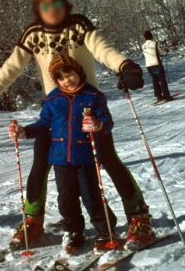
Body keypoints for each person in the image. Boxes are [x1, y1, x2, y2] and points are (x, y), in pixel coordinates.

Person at [0, 0, 154, 250]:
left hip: (88, 108)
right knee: (39, 167)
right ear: (39, 9)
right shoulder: (33, 34)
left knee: (109, 161)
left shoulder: (78, 26)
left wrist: (125, 65)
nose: (52, 11)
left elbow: (103, 49)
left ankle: (139, 218)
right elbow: (12, 66)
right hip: (54, 110)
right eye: (45, 7)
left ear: (65, 5)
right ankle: (33, 220)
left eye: (57, 5)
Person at [8, 55, 120, 253]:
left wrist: (98, 124)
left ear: (78, 72)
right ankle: (73, 231)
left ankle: (106, 231)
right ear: (56, 81)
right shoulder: (53, 99)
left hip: (85, 156)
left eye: (70, 75)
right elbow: (43, 124)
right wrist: (24, 131)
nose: (67, 80)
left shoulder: (93, 96)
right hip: (60, 158)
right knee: (66, 198)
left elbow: (107, 122)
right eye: (61, 78)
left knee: (91, 196)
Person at [142, 30, 173, 103]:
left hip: (148, 65)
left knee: (155, 80)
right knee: (162, 80)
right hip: (156, 64)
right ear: (151, 36)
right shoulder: (155, 43)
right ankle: (166, 95)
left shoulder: (143, 46)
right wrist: (166, 52)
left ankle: (158, 96)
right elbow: (161, 52)